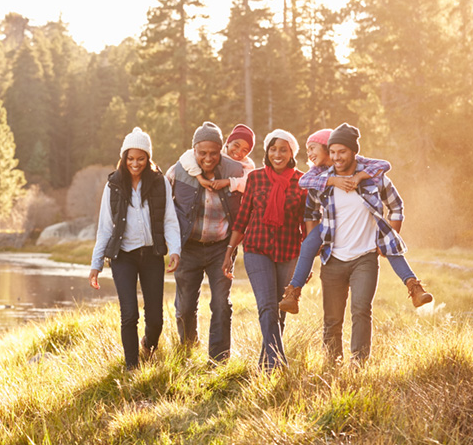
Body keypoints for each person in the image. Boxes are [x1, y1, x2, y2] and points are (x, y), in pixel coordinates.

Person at [279, 127, 434, 314]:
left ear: (327, 148)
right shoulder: (318, 173)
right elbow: (304, 185)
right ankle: (293, 292)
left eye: (313, 148)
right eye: (308, 149)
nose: (310, 154)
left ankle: (414, 286)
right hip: (328, 227)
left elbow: (384, 165)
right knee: (308, 245)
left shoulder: (360, 165)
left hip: (363, 230)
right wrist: (333, 181)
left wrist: (360, 176)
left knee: (389, 243)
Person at [310, 123, 416, 366]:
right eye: (333, 152)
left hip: (365, 258)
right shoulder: (324, 181)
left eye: (342, 152)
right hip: (333, 259)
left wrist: (388, 238)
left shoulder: (374, 180)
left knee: (360, 311)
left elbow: (397, 206)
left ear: (354, 152)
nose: (337, 157)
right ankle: (332, 365)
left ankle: (359, 365)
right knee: (332, 319)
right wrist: (314, 240)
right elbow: (309, 212)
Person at [90, 127, 181, 370]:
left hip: (152, 255)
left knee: (156, 319)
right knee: (129, 314)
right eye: (130, 158)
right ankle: (132, 367)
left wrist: (175, 250)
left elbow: (170, 221)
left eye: (140, 158)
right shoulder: (113, 186)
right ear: (123, 158)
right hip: (123, 257)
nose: (135, 163)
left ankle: (148, 346)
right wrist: (96, 265)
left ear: (148, 158)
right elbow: (104, 228)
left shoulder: (160, 183)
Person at [220, 130, 308, 371]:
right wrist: (229, 252)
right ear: (267, 152)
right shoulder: (256, 178)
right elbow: (242, 219)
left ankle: (265, 365)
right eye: (272, 149)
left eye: (283, 150)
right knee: (267, 307)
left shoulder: (302, 182)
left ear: (292, 153)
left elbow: (306, 226)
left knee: (280, 311)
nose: (277, 154)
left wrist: (306, 263)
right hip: (257, 250)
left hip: (289, 252)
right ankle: (279, 364)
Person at [166, 121, 244, 365]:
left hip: (221, 247)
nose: (208, 158)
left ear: (221, 150)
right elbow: (164, 208)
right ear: (194, 151)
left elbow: (250, 191)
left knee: (221, 303)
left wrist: (233, 250)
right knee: (186, 305)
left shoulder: (235, 170)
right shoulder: (177, 171)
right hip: (188, 246)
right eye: (202, 153)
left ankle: (219, 359)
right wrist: (170, 245)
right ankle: (188, 348)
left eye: (213, 152)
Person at [177, 124, 257, 195]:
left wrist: (228, 182)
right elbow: (187, 157)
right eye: (236, 145)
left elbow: (251, 184)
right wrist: (199, 177)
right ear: (228, 143)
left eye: (245, 150)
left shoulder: (247, 164)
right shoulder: (216, 153)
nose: (239, 152)